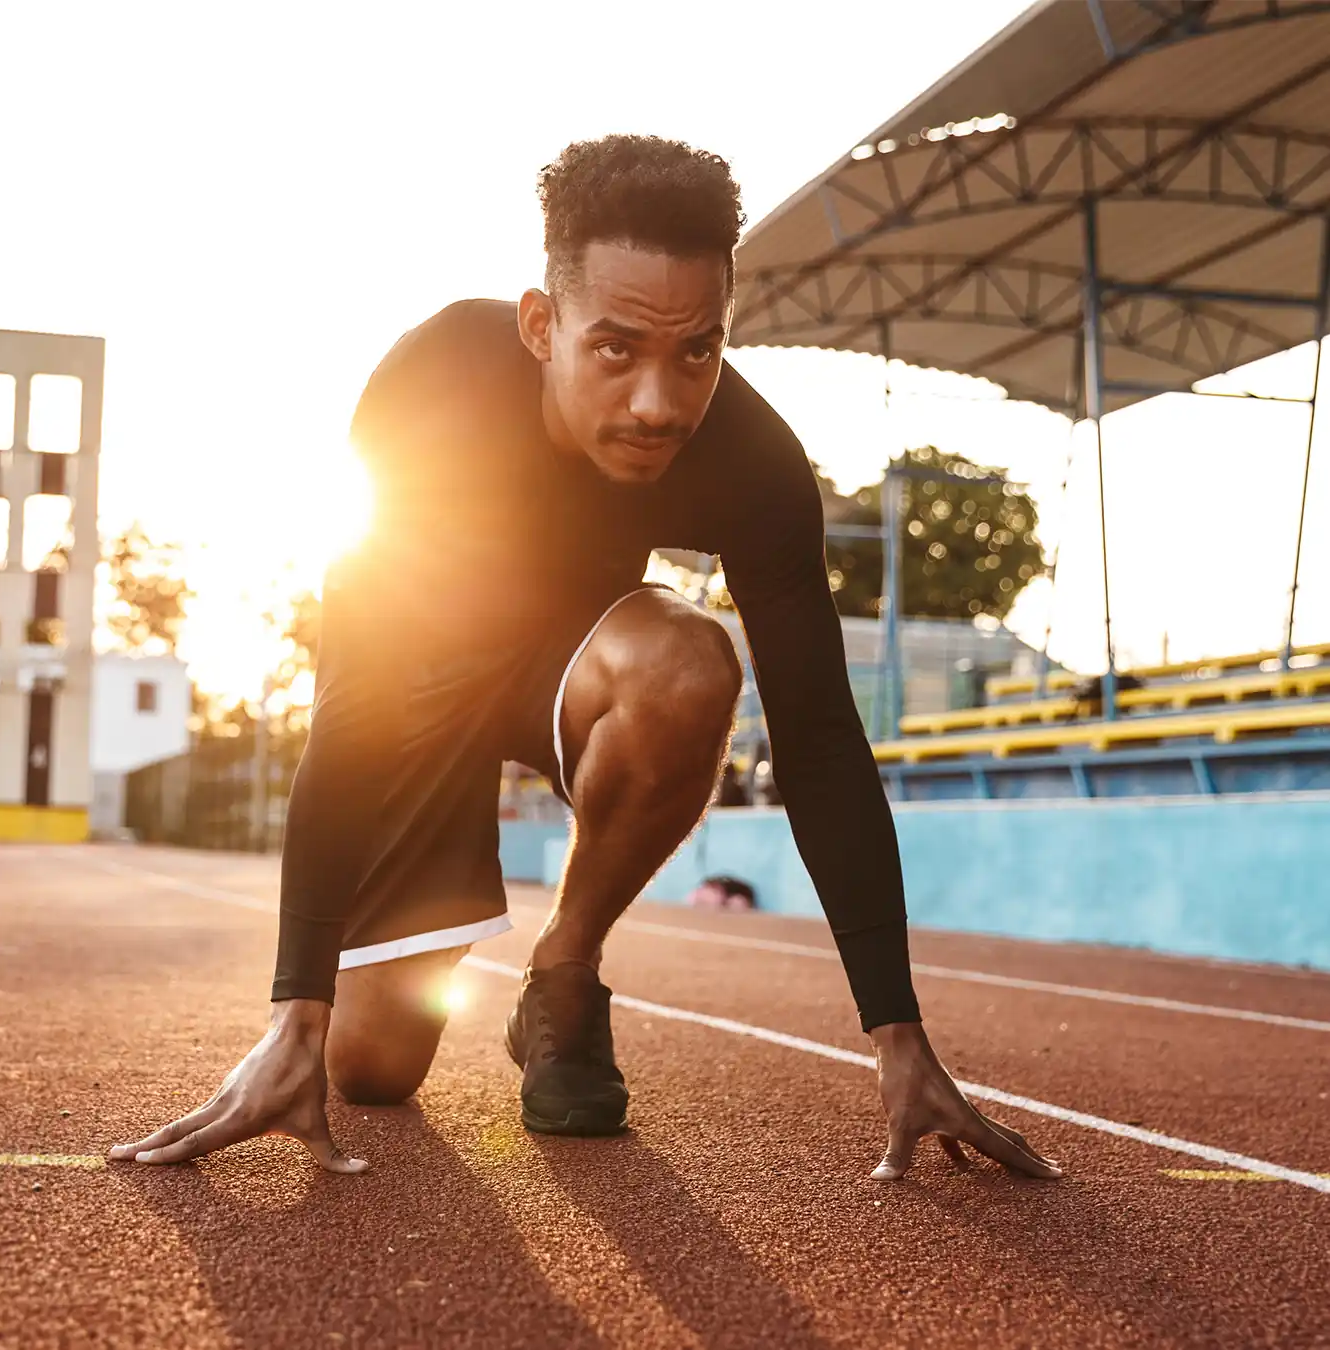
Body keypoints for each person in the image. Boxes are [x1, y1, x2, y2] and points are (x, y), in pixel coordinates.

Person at [111, 135, 1062, 1183]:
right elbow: (356, 693)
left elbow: (821, 740)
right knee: (370, 1070)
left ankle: (564, 970)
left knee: (692, 665)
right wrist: (295, 1013)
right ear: (540, 326)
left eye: (696, 350)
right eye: (616, 349)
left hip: (576, 663)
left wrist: (900, 1036)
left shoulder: (756, 466)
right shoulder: (434, 385)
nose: (660, 402)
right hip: (416, 691)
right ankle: (333, 1026)